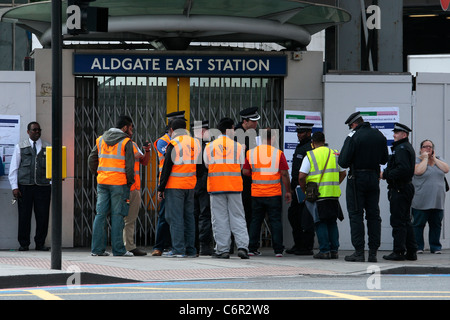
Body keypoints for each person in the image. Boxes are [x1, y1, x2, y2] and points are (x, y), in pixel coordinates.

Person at [338, 111, 388, 263]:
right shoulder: (379, 135)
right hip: (373, 178)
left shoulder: (353, 136)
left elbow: (343, 162)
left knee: (356, 215)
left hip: (357, 179)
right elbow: (384, 158)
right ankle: (373, 253)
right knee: (373, 215)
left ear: (354, 124)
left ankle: (359, 252)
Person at [88, 115, 135, 256]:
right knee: (117, 216)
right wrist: (129, 182)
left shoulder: (101, 139)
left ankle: (97, 250)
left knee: (100, 215)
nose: (131, 131)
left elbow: (91, 158)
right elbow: (129, 166)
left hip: (102, 182)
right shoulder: (126, 141)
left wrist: (98, 174)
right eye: (131, 128)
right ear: (125, 127)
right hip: (119, 183)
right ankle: (119, 250)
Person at [204, 117, 249, 259]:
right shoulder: (237, 146)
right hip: (234, 186)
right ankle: (243, 247)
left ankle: (223, 249)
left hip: (216, 187)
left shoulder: (210, 146)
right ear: (230, 129)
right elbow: (241, 165)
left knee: (219, 218)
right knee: (238, 217)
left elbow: (207, 165)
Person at [243, 128, 291, 257]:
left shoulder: (251, 153)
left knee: (255, 221)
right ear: (274, 138)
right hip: (273, 193)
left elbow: (245, 171)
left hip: (257, 193)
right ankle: (278, 250)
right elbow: (285, 174)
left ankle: (252, 248)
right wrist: (288, 191)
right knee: (275, 221)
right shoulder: (278, 153)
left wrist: (256, 174)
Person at [157, 118, 201, 258]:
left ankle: (178, 250)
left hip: (175, 186)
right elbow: (200, 168)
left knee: (175, 218)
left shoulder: (174, 143)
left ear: (172, 130)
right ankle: (191, 250)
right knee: (189, 217)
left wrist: (161, 188)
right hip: (190, 185)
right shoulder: (195, 143)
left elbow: (167, 168)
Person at [299, 132, 346, 259]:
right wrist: (335, 184)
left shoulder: (310, 155)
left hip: (318, 195)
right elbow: (343, 173)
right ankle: (334, 250)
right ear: (324, 140)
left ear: (312, 143)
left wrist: (305, 191)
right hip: (333, 194)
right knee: (332, 222)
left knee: (320, 222)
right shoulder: (335, 154)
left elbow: (301, 177)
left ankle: (324, 250)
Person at [8, 122, 51, 251]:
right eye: (34, 130)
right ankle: (24, 243)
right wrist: (14, 187)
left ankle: (40, 243)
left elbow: (52, 168)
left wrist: (51, 185)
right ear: (28, 132)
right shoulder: (20, 147)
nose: (37, 132)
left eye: (39, 130)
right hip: (24, 187)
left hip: (42, 186)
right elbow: (14, 168)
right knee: (24, 216)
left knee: (43, 216)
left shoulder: (48, 146)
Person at [381, 123, 418, 261]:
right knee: (405, 221)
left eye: (397, 133)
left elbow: (402, 169)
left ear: (404, 134)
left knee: (398, 221)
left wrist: (385, 174)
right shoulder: (403, 147)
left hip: (400, 188)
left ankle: (399, 251)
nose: (394, 135)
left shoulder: (401, 148)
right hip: (404, 187)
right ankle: (411, 251)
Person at [152, 111, 186, 256]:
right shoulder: (163, 141)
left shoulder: (181, 141)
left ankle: (172, 245)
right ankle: (159, 246)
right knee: (165, 215)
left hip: (180, 183)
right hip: (167, 183)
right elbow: (170, 158)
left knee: (177, 216)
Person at [411, 139, 449, 254]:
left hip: (437, 201)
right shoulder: (417, 161)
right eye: (425, 146)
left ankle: (435, 247)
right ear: (420, 149)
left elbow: (446, 169)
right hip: (421, 201)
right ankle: (418, 246)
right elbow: (418, 171)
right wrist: (425, 158)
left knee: (436, 225)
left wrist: (434, 158)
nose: (428, 148)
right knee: (418, 225)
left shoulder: (439, 159)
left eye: (430, 147)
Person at [286, 123, 315, 256]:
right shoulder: (301, 146)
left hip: (307, 187)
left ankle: (306, 246)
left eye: (302, 132)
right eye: (298, 132)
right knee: (294, 216)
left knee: (306, 218)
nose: (299, 135)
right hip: (297, 187)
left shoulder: (310, 147)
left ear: (309, 133)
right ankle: (298, 244)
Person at [123, 138, 151, 256]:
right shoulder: (128, 144)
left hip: (134, 187)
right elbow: (136, 155)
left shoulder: (132, 144)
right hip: (126, 186)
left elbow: (143, 161)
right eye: (130, 128)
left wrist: (147, 151)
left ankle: (128, 245)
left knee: (130, 218)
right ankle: (127, 246)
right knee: (127, 219)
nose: (132, 131)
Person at [234, 107, 260, 229]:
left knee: (249, 210)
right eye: (253, 121)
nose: (256, 123)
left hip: (249, 177)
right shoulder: (237, 134)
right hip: (241, 178)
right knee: (243, 210)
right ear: (245, 121)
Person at [191, 120, 214, 256]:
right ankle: (205, 247)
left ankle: (193, 246)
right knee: (205, 215)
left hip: (191, 184)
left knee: (193, 215)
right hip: (204, 184)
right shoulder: (208, 146)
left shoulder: (189, 146)